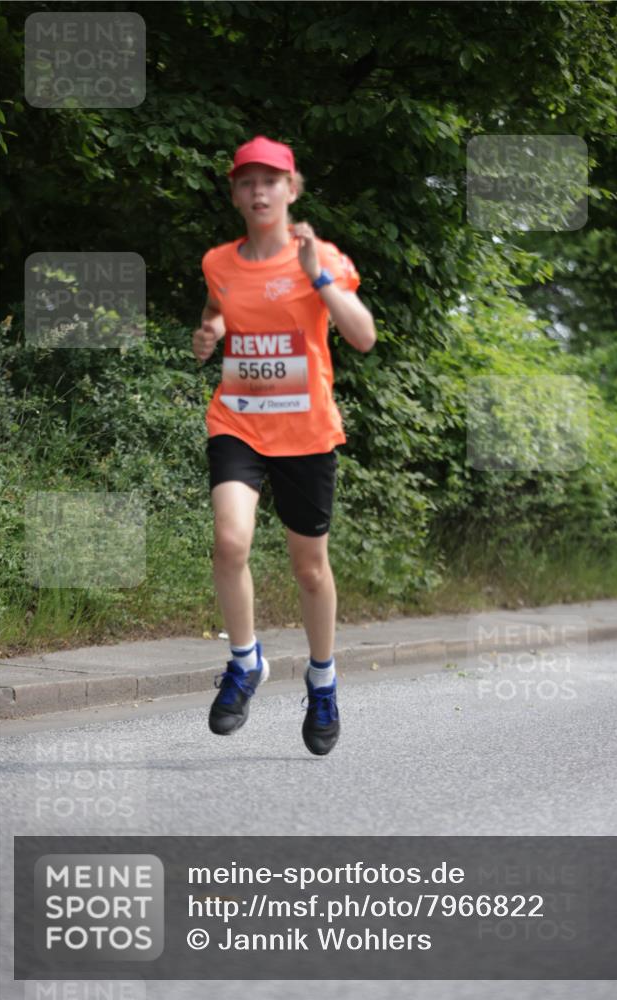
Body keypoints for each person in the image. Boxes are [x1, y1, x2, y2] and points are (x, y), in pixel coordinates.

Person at [192, 136, 376, 755]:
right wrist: (212, 329)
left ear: (291, 190)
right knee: (229, 541)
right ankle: (245, 664)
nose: (259, 190)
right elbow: (220, 306)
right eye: (248, 181)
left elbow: (363, 336)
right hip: (239, 422)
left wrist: (316, 276)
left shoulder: (320, 255)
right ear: (236, 193)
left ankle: (322, 681)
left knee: (309, 569)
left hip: (305, 432)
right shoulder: (219, 261)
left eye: (271, 180)